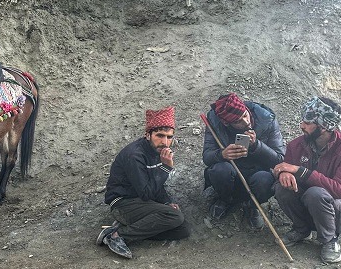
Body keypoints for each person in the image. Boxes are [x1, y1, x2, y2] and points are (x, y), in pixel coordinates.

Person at [273, 96, 341, 264]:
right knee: (282, 188)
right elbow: (283, 168)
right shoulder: (295, 145)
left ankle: (330, 239)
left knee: (316, 193)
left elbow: (339, 189)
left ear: (324, 126)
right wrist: (283, 174)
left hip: (339, 211)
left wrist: (300, 171)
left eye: (307, 122)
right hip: (309, 205)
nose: (302, 126)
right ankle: (301, 229)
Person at [97, 106, 191, 259]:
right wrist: (166, 168)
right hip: (124, 203)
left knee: (182, 229)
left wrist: (166, 202)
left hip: (142, 202)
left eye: (169, 137)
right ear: (148, 135)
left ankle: (129, 229)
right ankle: (116, 236)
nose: (165, 142)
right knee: (175, 217)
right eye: (160, 136)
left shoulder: (156, 151)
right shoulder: (135, 155)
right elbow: (146, 192)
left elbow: (155, 183)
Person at [202, 93, 285, 228]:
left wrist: (257, 146)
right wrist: (222, 154)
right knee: (219, 170)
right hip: (231, 169)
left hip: (257, 171)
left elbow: (280, 159)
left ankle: (253, 205)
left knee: (265, 180)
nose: (246, 122)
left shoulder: (266, 119)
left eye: (245, 115)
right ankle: (226, 199)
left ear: (246, 109)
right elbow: (207, 156)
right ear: (226, 123)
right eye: (238, 121)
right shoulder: (214, 121)